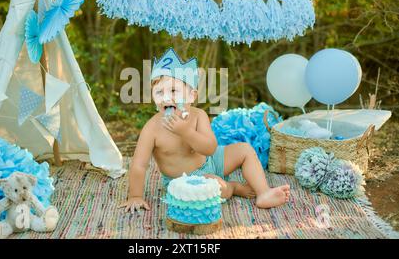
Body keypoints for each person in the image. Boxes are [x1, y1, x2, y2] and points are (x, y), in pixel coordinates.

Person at [119, 48, 290, 213]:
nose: (166, 97)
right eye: (159, 92)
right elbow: (139, 165)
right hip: (185, 180)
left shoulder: (198, 115)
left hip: (211, 160)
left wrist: (186, 132)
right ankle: (233, 187)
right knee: (218, 188)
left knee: (245, 150)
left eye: (173, 90)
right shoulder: (152, 128)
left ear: (191, 96)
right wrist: (135, 195)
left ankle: (264, 192)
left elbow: (210, 148)